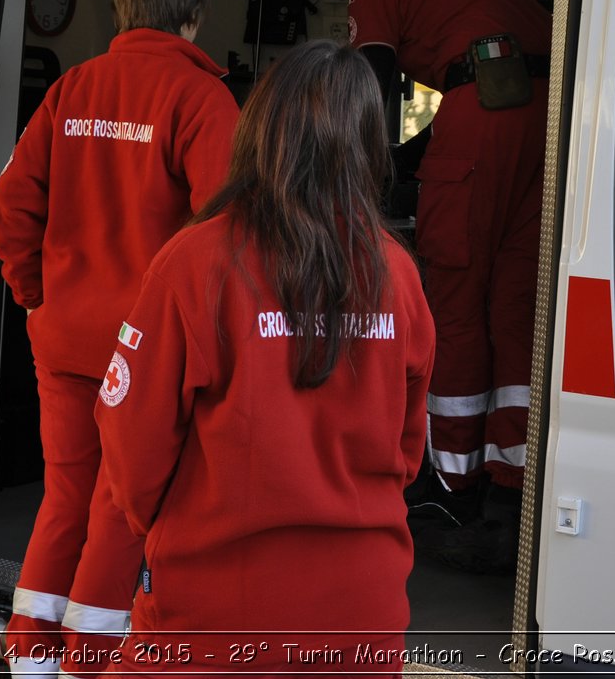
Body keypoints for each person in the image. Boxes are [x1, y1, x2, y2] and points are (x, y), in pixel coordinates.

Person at [95, 40, 435, 675]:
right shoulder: (398, 275)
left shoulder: (196, 263)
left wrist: (175, 532)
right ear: (367, 145)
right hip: (364, 623)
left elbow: (132, 455)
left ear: (260, 129)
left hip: (217, 619)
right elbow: (407, 451)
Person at [0, 0, 240, 675]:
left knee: (65, 492)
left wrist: (37, 294)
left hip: (62, 335)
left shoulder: (73, 88)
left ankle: (30, 652)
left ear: (120, 4)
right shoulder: (202, 97)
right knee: (121, 506)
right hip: (144, 350)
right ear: (192, 15)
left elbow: (11, 205)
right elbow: (222, 235)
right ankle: (89, 662)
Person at [320, 0, 552, 574]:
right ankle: (513, 482)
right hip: (541, 118)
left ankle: (450, 485)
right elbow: (469, 88)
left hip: (484, 114)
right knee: (513, 306)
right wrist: (414, 161)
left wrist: (361, 176)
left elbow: (372, 81)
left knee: (453, 296)